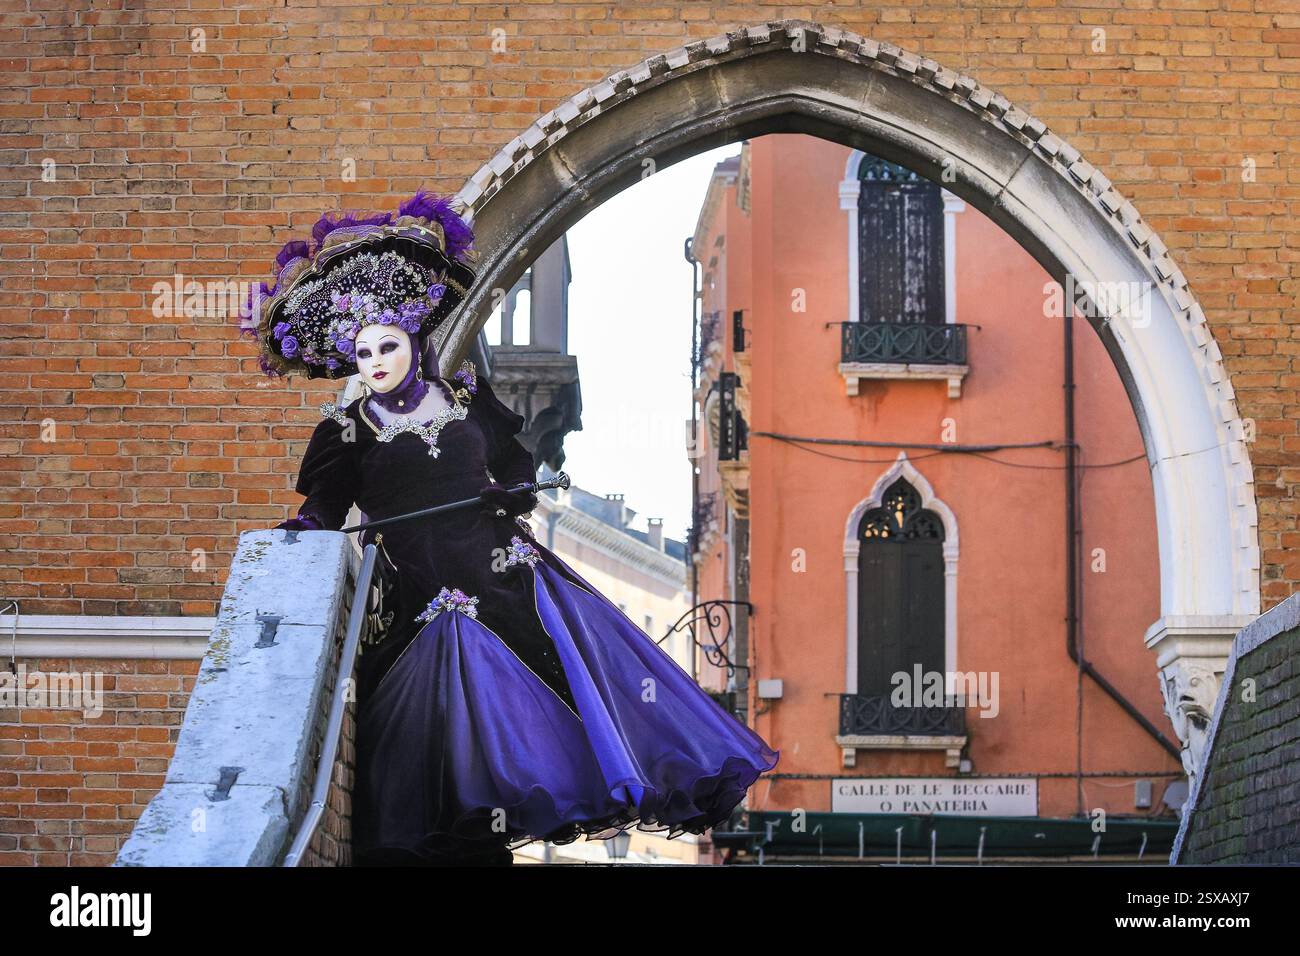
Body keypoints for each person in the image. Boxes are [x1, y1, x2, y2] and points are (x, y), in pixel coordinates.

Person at [236, 188, 779, 866]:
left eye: (386, 346)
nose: (375, 363)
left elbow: (515, 477)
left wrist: (505, 492)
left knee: (547, 713)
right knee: (432, 736)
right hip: (418, 591)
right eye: (363, 354)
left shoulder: (469, 402)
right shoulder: (346, 431)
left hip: (503, 579)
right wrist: (305, 528)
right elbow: (325, 506)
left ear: (412, 339)